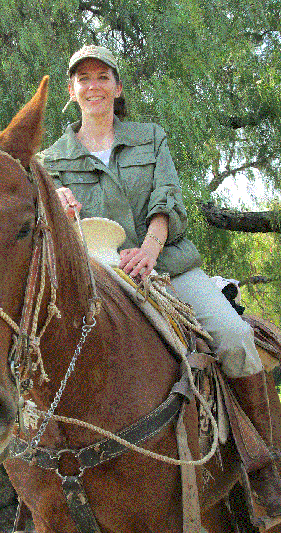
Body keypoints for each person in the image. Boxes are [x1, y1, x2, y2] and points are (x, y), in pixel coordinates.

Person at [38, 44, 281, 519]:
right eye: (83, 79)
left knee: (233, 338)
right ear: (72, 92)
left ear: (117, 87)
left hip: (168, 264)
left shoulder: (150, 138)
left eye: (102, 76)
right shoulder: (51, 160)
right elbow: (41, 229)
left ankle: (265, 467)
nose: (93, 86)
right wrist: (55, 202)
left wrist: (149, 250)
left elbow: (168, 196)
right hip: (99, 279)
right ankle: (37, 487)